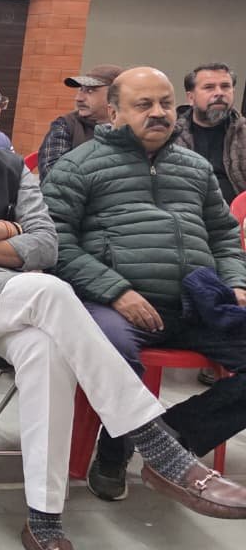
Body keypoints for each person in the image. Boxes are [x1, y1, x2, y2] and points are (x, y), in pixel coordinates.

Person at [0, 59, 246, 549]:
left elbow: (45, 244)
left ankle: (44, 520)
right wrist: (8, 230)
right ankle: (160, 447)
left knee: (47, 352)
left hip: (8, 295)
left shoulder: (9, 163)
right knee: (52, 291)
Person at [42, 66, 246, 503]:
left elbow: (224, 235)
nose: (158, 113)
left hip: (196, 300)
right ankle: (113, 457)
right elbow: (53, 241)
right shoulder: (78, 166)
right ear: (114, 113)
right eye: (144, 104)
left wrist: (236, 282)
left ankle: (170, 437)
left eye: (166, 103)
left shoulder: (195, 168)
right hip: (114, 301)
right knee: (112, 350)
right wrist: (115, 291)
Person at [174, 63, 246, 204]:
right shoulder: (171, 135)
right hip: (187, 211)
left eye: (225, 86)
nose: (219, 93)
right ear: (191, 97)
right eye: (209, 87)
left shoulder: (243, 132)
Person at [36, 64, 121, 177]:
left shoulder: (133, 127)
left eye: (90, 91)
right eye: (81, 89)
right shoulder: (66, 125)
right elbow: (52, 175)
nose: (79, 98)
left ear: (115, 95)